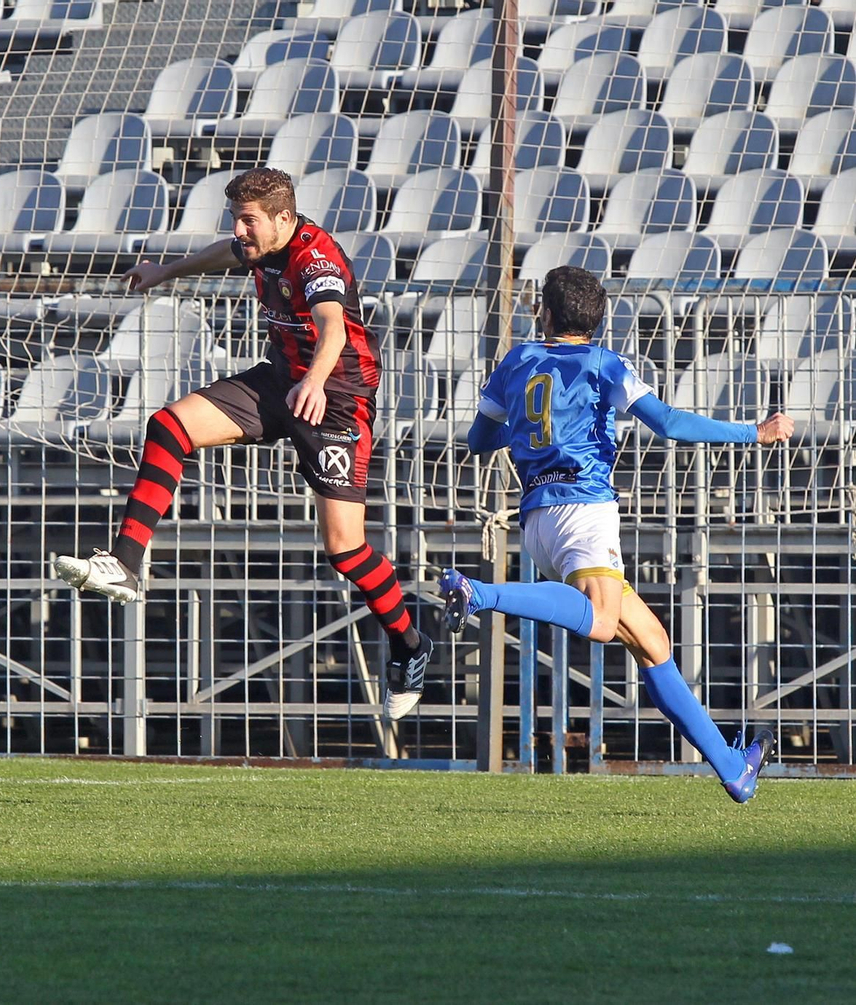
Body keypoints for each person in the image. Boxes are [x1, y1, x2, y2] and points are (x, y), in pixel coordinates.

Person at [52, 167, 432, 720]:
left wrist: (316, 380)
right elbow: (226, 254)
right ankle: (126, 565)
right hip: (283, 382)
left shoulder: (317, 259)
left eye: (248, 219)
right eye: (236, 217)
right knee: (169, 426)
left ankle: (410, 645)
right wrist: (166, 272)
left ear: (283, 217)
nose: (240, 229)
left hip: (336, 398)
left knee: (346, 549)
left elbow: (331, 327)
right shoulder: (260, 242)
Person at [438, 266, 792, 803]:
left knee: (654, 645)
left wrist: (532, 429)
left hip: (537, 519)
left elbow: (479, 440)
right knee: (603, 621)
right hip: (583, 510)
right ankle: (481, 593)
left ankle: (733, 770)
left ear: (546, 314)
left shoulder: (516, 361)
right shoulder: (604, 364)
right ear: (598, 321)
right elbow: (669, 423)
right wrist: (754, 432)